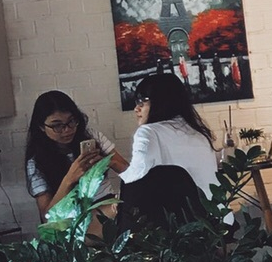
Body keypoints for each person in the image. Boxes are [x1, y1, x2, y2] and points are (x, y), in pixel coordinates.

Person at [24, 90, 126, 220]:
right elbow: (47, 218)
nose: (67, 130)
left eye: (71, 121)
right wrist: (69, 178)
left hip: (108, 207)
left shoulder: (92, 137)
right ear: (42, 127)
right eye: (57, 126)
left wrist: (107, 162)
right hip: (73, 219)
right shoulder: (36, 161)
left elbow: (129, 172)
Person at [119, 72, 221, 198]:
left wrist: (111, 163)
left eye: (142, 101)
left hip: (180, 209)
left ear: (160, 101)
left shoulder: (148, 132)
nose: (136, 108)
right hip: (216, 208)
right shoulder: (199, 133)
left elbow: (136, 180)